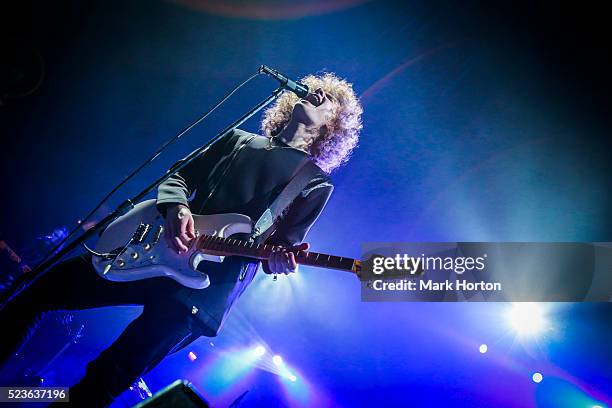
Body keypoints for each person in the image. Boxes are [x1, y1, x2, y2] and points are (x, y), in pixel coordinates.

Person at [0, 72, 363, 406]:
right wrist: (176, 208)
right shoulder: (239, 139)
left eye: (328, 98)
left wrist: (279, 261)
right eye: (317, 88)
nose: (316, 93)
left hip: (201, 289)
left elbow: (281, 248)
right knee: (38, 292)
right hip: (151, 249)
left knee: (109, 373)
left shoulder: (315, 183)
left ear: (332, 125)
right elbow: (180, 177)